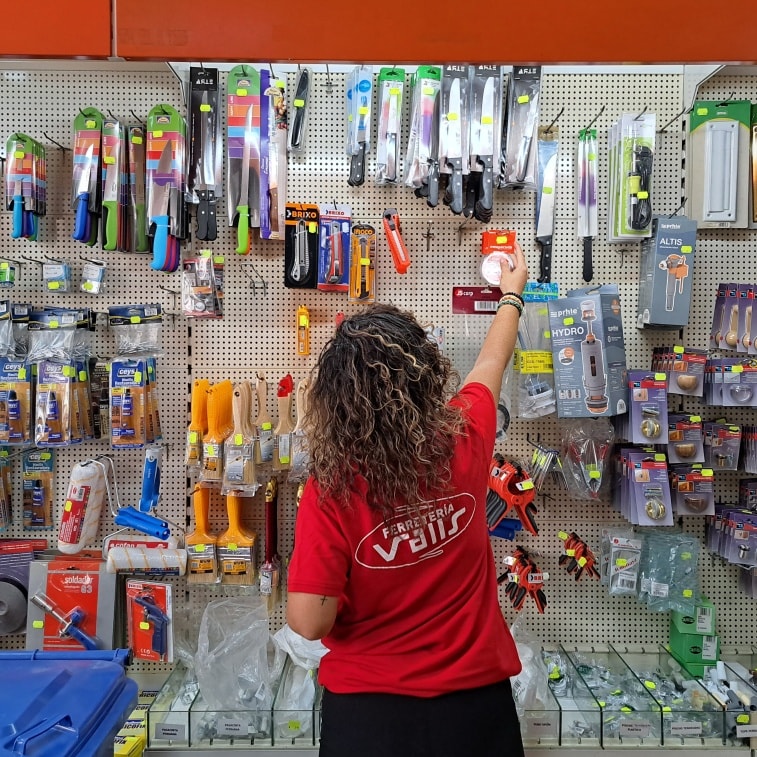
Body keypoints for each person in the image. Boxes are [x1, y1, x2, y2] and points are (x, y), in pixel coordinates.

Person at [286, 245, 529, 757]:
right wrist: (511, 295)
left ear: (336, 402)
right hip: (476, 708)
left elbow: (309, 622)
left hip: (370, 717)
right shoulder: (465, 436)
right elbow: (491, 361)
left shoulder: (332, 489)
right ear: (425, 376)